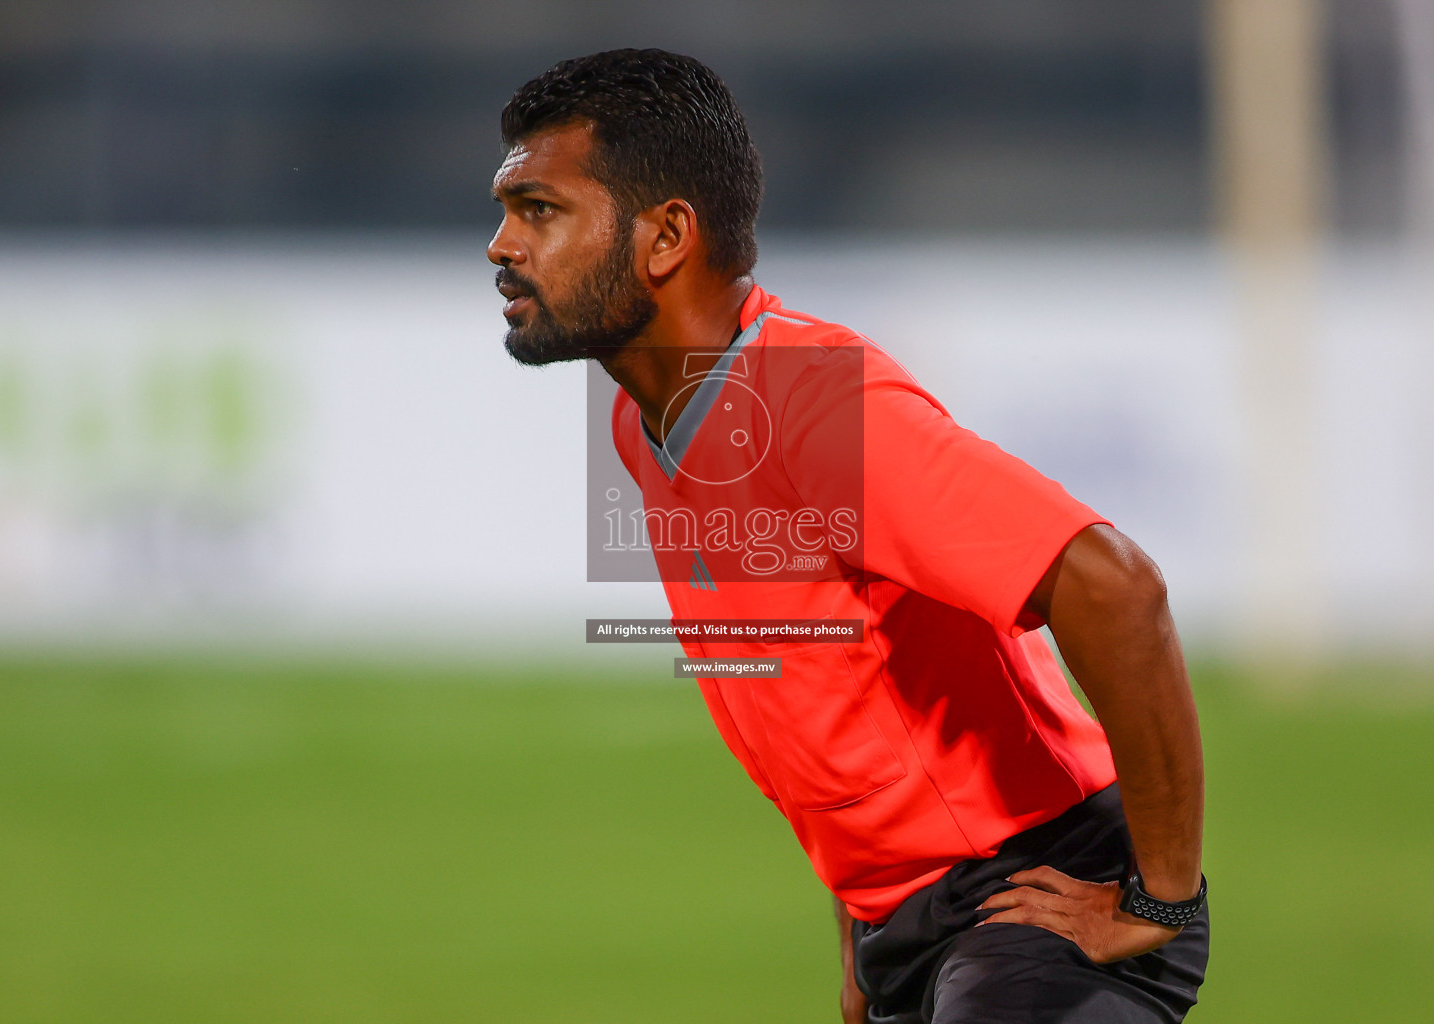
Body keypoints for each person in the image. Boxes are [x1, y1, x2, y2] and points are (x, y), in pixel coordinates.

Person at [488, 48, 1209, 1024]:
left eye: (538, 209)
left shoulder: (810, 402)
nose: (501, 244)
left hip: (1035, 890)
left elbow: (1117, 586)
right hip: (913, 931)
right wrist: (864, 942)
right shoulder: (642, 423)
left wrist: (1160, 893)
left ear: (665, 237)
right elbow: (825, 696)